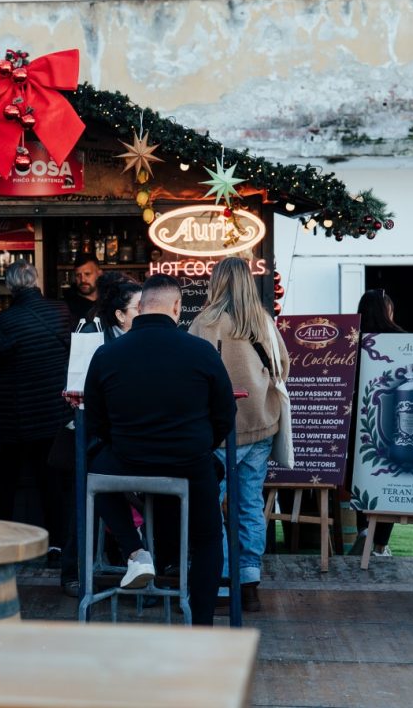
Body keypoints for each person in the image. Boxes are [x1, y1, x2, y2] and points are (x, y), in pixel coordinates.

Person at [84, 274, 237, 626]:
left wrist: (126, 442)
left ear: (140, 308)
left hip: (129, 459)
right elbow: (225, 415)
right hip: (189, 461)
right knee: (208, 539)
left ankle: (135, 550)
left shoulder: (107, 354)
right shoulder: (201, 351)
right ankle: (201, 623)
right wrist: (201, 444)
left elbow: (96, 421)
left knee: (94, 470)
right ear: (177, 307)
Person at [188, 257, 289, 613]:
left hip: (217, 429)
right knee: (249, 504)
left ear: (216, 282)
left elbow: (191, 372)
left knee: (210, 505)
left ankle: (220, 581)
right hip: (260, 423)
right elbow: (283, 367)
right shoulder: (263, 321)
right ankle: (249, 584)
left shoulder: (204, 322)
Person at [0, 260, 72, 542]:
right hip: (54, 413)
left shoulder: (3, 322)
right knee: (51, 483)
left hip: (15, 417)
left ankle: (2, 540)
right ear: (36, 280)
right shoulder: (61, 311)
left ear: (9, 286)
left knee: (4, 482)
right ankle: (56, 544)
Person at [348, 289, 406, 557]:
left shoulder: (351, 340)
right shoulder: (400, 340)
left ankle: (363, 531)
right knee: (387, 477)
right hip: (390, 418)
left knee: (360, 474)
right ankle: (381, 543)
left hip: (355, 420)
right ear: (387, 310)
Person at [93, 274, 142, 339]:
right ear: (120, 316)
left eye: (147, 306)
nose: (146, 312)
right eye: (139, 308)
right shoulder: (96, 337)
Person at [64, 254, 103, 324]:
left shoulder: (110, 300)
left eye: (87, 274)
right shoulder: (67, 307)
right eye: (78, 275)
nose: (83, 280)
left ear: (99, 274)